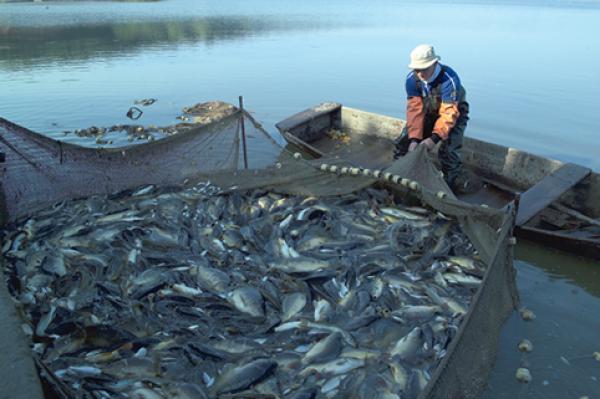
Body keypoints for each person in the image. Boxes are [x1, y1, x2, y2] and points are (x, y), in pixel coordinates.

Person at [400, 44, 469, 191]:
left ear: (434, 63)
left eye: (423, 69)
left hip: (454, 113)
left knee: (449, 153)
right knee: (403, 143)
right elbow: (414, 110)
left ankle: (448, 188)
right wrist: (414, 139)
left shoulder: (449, 79)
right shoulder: (412, 80)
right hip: (428, 111)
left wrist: (434, 139)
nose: (419, 74)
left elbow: (448, 115)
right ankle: (402, 177)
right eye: (416, 70)